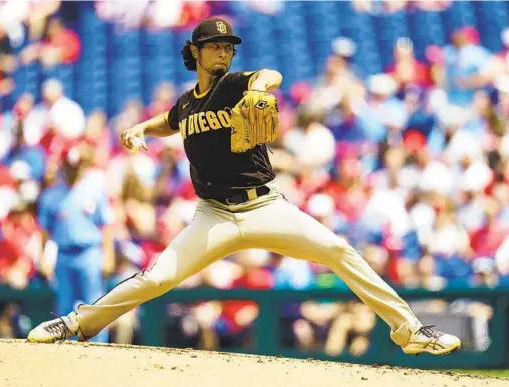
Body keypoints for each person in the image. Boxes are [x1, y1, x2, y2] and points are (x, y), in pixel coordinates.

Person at [28, 17, 461, 356]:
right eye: (214, 45)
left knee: (338, 251)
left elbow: (269, 74)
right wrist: (142, 126)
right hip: (212, 214)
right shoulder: (188, 102)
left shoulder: (236, 84)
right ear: (194, 52)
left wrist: (257, 85)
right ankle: (75, 324)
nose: (223, 52)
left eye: (228, 46)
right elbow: (172, 120)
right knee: (155, 277)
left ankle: (411, 331)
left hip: (264, 207)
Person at [35, 142, 115, 343]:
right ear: (62, 165)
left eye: (77, 165)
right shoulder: (52, 195)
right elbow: (44, 231)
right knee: (65, 307)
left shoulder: (94, 190)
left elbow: (106, 226)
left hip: (89, 253)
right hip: (63, 254)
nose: (73, 169)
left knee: (94, 306)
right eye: (69, 165)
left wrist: (108, 255)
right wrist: (43, 257)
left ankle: (99, 348)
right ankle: (66, 352)